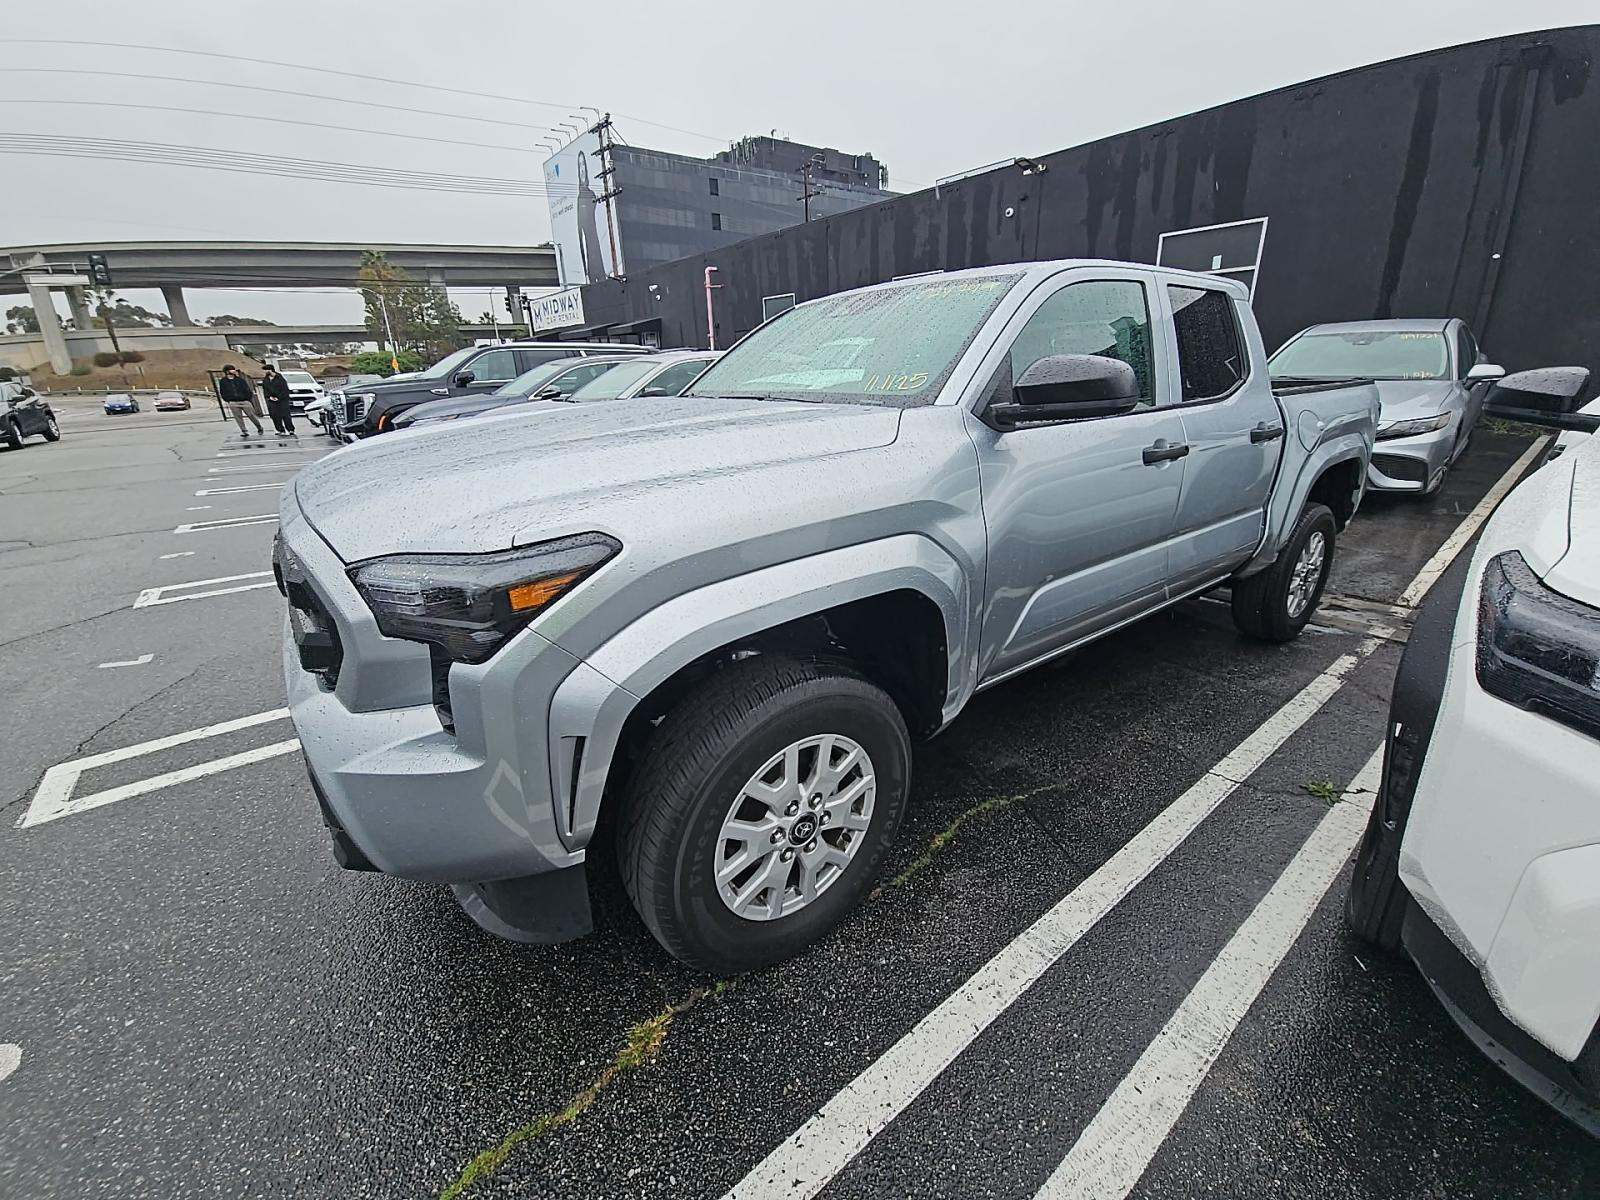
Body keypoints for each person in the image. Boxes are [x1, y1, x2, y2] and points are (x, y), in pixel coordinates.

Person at [217, 365, 263, 438]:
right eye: (232, 369)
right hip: (233, 402)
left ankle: (259, 427)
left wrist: (248, 398)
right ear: (227, 371)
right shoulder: (223, 381)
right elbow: (222, 392)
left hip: (244, 401)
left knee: (252, 415)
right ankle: (244, 431)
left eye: (234, 369)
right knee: (238, 417)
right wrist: (228, 400)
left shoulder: (240, 380)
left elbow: (247, 389)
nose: (234, 371)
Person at [260, 365, 297, 437]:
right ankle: (280, 429)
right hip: (272, 400)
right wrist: (269, 397)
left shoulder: (280, 378)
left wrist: (279, 398)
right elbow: (265, 390)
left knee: (286, 415)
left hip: (283, 400)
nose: (264, 372)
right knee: (275, 415)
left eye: (265, 370)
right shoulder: (265, 380)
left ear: (270, 370)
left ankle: (290, 429)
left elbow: (285, 390)